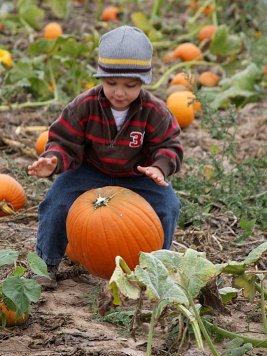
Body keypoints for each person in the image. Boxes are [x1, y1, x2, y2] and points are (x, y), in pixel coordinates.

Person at [28, 25, 183, 289]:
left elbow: (170, 145)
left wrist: (160, 167)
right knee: (56, 201)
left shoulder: (154, 111)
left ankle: (156, 266)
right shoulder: (84, 105)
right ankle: (46, 262)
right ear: (101, 77)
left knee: (168, 206)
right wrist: (53, 160)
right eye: (111, 83)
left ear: (143, 82)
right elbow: (64, 140)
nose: (119, 92)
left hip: (138, 174)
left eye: (129, 85)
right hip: (90, 171)